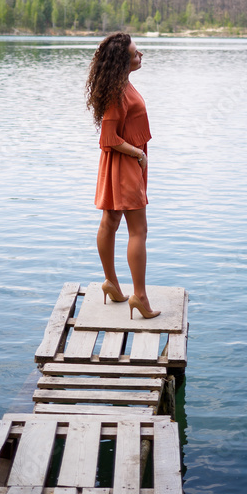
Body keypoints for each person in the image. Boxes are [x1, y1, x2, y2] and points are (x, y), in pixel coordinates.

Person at [85, 31, 160, 320]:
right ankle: (139, 297)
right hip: (125, 163)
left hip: (120, 163)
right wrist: (138, 155)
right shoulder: (117, 94)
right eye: (135, 53)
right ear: (122, 61)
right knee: (138, 230)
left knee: (111, 220)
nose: (140, 56)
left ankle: (112, 285)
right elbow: (108, 138)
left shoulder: (120, 85)